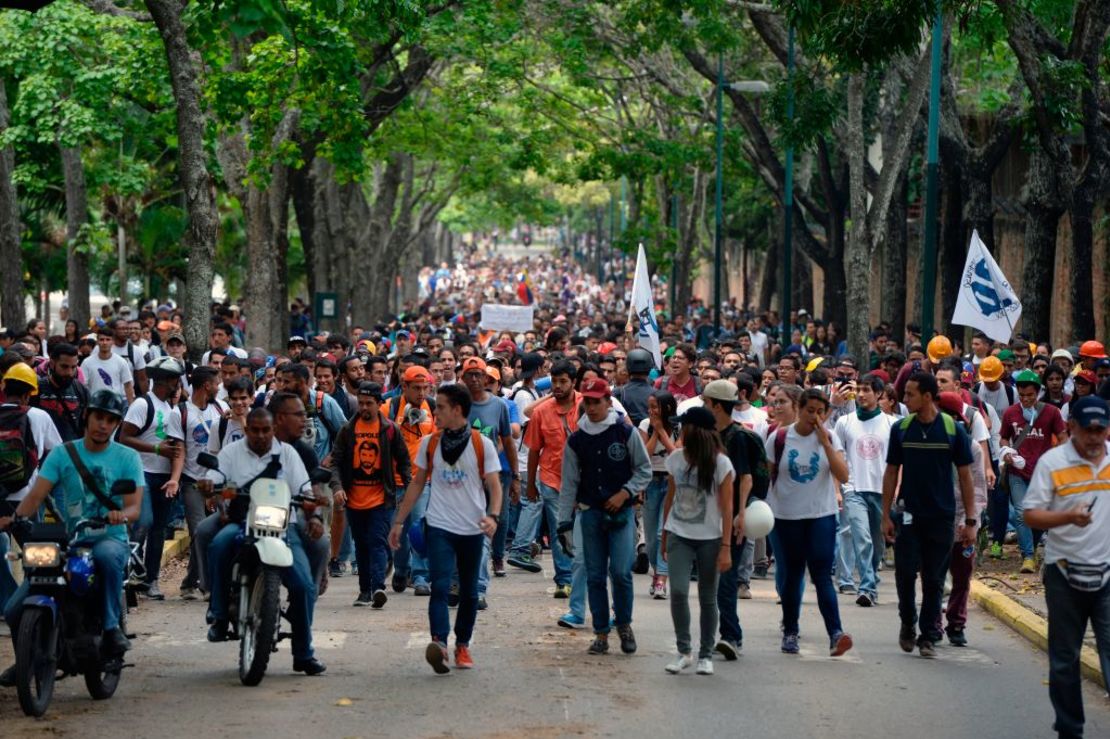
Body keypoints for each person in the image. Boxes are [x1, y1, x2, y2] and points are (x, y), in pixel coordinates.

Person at [0, 390, 143, 687]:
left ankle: (111, 625)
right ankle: (26, 658)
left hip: (110, 537)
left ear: (116, 425)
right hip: (72, 540)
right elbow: (36, 495)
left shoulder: (127, 457)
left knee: (105, 557)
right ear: (86, 417)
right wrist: (13, 520)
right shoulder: (64, 453)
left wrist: (121, 515)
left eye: (110, 420)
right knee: (14, 608)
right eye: (98, 417)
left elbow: (134, 506)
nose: (103, 425)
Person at [199, 407, 325, 676]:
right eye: (254, 430)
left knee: (303, 585)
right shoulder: (231, 452)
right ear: (246, 430)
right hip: (241, 521)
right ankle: (219, 614)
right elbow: (215, 477)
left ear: (273, 430)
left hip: (282, 526)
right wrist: (210, 485)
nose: (260, 435)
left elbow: (305, 490)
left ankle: (304, 653)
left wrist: (314, 516)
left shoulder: (288, 454)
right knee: (219, 545)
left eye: (265, 430)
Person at [388, 383, 502, 674]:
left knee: (468, 592)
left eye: (439, 406)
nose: (434, 411)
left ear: (457, 410)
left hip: (472, 529)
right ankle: (439, 643)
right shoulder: (430, 444)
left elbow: (494, 485)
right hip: (439, 525)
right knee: (439, 586)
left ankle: (462, 645)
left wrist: (493, 516)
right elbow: (416, 483)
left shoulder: (481, 444)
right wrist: (399, 521)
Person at [1022, 395, 1110, 739]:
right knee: (1064, 659)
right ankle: (1070, 730)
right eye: (1086, 429)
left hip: (1106, 575)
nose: (1093, 437)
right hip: (1063, 574)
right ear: (1071, 427)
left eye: (1100, 429)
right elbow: (1030, 514)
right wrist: (1067, 517)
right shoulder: (1052, 463)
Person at [882, 372, 977, 658]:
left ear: (927, 396)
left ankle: (927, 635)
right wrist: (885, 514)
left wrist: (970, 520)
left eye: (910, 394)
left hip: (942, 517)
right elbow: (890, 472)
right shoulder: (901, 429)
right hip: (908, 515)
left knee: (934, 579)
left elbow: (965, 476)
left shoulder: (952, 430)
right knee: (905, 573)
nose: (905, 398)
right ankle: (907, 622)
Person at [558, 377, 652, 655]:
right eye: (587, 401)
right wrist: (564, 523)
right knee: (596, 576)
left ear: (608, 401)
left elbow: (644, 470)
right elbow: (569, 483)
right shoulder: (577, 439)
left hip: (621, 514)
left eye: (597, 401)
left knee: (621, 572)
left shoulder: (625, 431)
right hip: (589, 515)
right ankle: (601, 632)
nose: (592, 406)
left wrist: (626, 492)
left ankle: (623, 624)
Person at [766, 388, 854, 657]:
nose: (814, 417)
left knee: (822, 575)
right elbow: (768, 475)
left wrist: (825, 442)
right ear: (799, 409)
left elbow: (844, 474)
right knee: (792, 575)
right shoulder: (779, 437)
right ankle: (790, 630)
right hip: (786, 516)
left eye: (819, 412)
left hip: (821, 516)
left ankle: (835, 633)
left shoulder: (829, 436)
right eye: (809, 411)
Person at [659, 406, 733, 676]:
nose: (680, 430)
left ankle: (705, 654)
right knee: (678, 591)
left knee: (707, 597)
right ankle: (683, 650)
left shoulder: (721, 463)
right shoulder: (676, 459)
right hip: (679, 532)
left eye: (683, 426)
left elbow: (727, 507)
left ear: (695, 430)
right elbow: (670, 497)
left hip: (710, 537)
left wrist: (726, 547)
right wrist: (664, 535)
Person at [330, 381, 411, 607]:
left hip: (381, 499)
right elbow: (335, 462)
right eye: (361, 403)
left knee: (376, 541)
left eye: (369, 404)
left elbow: (404, 462)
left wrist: (410, 488)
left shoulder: (390, 430)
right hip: (354, 500)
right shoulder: (347, 430)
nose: (364, 408)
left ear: (379, 404)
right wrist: (337, 488)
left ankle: (378, 588)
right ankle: (364, 590)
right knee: (362, 545)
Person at [117, 355, 185, 601]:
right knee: (143, 520)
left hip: (164, 476)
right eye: (175, 380)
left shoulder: (172, 408)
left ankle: (151, 579)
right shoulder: (143, 404)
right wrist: (157, 450)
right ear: (163, 381)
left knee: (159, 529)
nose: (178, 385)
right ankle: (130, 572)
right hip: (140, 473)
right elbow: (124, 438)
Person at [508, 361, 576, 605]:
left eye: (563, 382)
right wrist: (530, 484)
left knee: (579, 531)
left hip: (583, 481)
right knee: (560, 531)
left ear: (573, 383)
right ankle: (565, 579)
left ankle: (579, 576)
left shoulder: (587, 407)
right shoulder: (542, 411)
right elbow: (535, 450)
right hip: (550, 479)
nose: (558, 386)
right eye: (554, 382)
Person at [699, 379, 757, 660]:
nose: (703, 406)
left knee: (726, 578)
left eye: (706, 402)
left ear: (717, 406)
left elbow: (745, 477)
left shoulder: (738, 437)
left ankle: (731, 636)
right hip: (705, 516)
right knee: (711, 579)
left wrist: (741, 513)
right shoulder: (705, 434)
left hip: (730, 519)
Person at [0, 364, 63, 608]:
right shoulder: (38, 416)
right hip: (27, 496)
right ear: (29, 393)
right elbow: (57, 453)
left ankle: (8, 601)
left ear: (4, 388)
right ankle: (33, 603)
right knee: (36, 555)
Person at [834, 373, 897, 607]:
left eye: (867, 390)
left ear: (879, 394)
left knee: (878, 543)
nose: (861, 394)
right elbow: (837, 458)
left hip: (882, 491)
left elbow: (896, 463)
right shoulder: (845, 422)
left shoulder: (892, 424)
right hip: (854, 488)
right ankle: (867, 587)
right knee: (862, 537)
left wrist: (897, 489)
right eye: (858, 389)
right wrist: (839, 490)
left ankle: (871, 579)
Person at [935, 392, 989, 647]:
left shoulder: (973, 448)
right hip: (935, 520)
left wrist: (971, 522)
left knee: (962, 576)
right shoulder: (931, 445)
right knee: (933, 576)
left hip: (963, 522)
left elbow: (978, 489)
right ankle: (932, 622)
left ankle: (956, 623)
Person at [382, 365, 437, 594]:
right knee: (400, 530)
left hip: (422, 480)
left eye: (425, 388)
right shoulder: (389, 408)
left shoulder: (433, 408)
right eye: (416, 388)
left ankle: (421, 575)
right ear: (404, 386)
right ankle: (402, 569)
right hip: (394, 482)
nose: (421, 393)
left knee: (420, 527)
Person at [176, 366, 226, 599]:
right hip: (192, 482)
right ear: (207, 385)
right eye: (217, 383)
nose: (219, 387)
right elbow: (179, 450)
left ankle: (189, 581)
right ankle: (207, 586)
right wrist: (175, 480)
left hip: (217, 482)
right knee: (198, 531)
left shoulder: (220, 409)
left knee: (210, 532)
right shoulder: (181, 412)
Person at [640, 390, 679, 599]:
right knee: (651, 537)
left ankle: (662, 578)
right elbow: (644, 455)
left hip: (671, 481)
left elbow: (676, 454)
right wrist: (654, 431)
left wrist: (663, 431)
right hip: (650, 482)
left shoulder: (679, 426)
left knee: (662, 531)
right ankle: (657, 572)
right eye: (650, 407)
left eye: (655, 406)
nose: (651, 411)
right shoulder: (645, 425)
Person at [82, 327, 135, 404]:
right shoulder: (87, 363)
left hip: (115, 405)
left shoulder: (121, 362)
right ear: (97, 342)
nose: (104, 342)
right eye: (101, 339)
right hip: (94, 404)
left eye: (108, 339)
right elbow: (83, 386)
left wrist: (131, 406)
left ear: (112, 342)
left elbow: (128, 385)